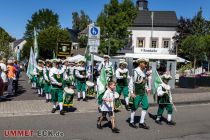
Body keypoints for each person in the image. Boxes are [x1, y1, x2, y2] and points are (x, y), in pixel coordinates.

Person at [129, 58, 150, 129]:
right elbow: (131, 82)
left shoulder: (144, 71)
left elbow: (144, 82)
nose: (146, 65)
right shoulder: (135, 71)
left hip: (143, 92)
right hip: (136, 92)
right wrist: (131, 92)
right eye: (145, 63)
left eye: (146, 63)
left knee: (146, 106)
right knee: (134, 107)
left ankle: (141, 122)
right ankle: (131, 122)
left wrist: (147, 88)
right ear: (140, 63)